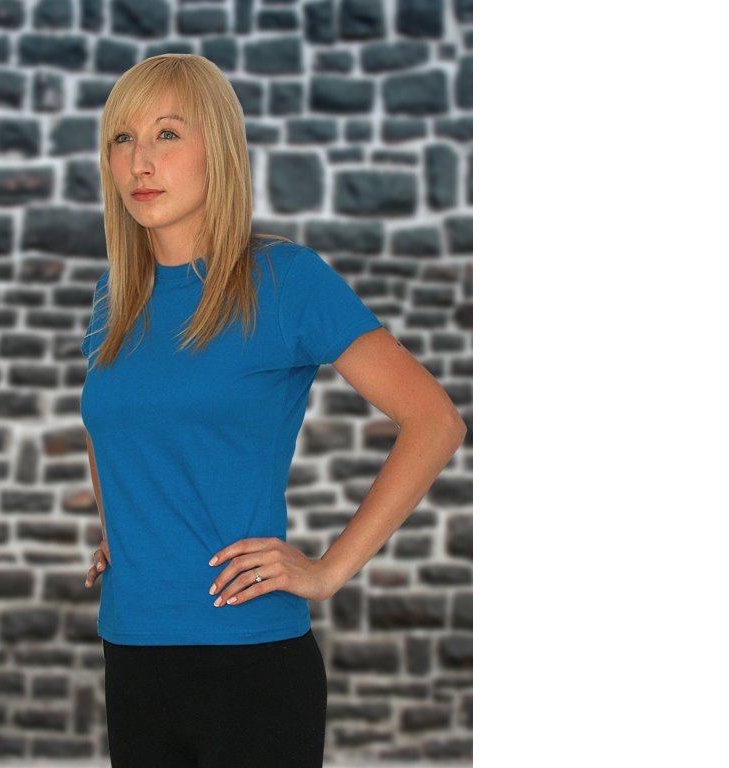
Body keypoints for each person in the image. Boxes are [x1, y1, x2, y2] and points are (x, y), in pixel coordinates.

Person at [79, 54, 467, 768]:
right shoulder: (115, 298)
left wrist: (328, 571)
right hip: (131, 652)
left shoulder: (285, 281)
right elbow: (109, 425)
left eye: (168, 134)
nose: (140, 161)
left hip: (250, 665)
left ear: (218, 151)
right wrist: (119, 525)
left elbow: (435, 421)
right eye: (122, 139)